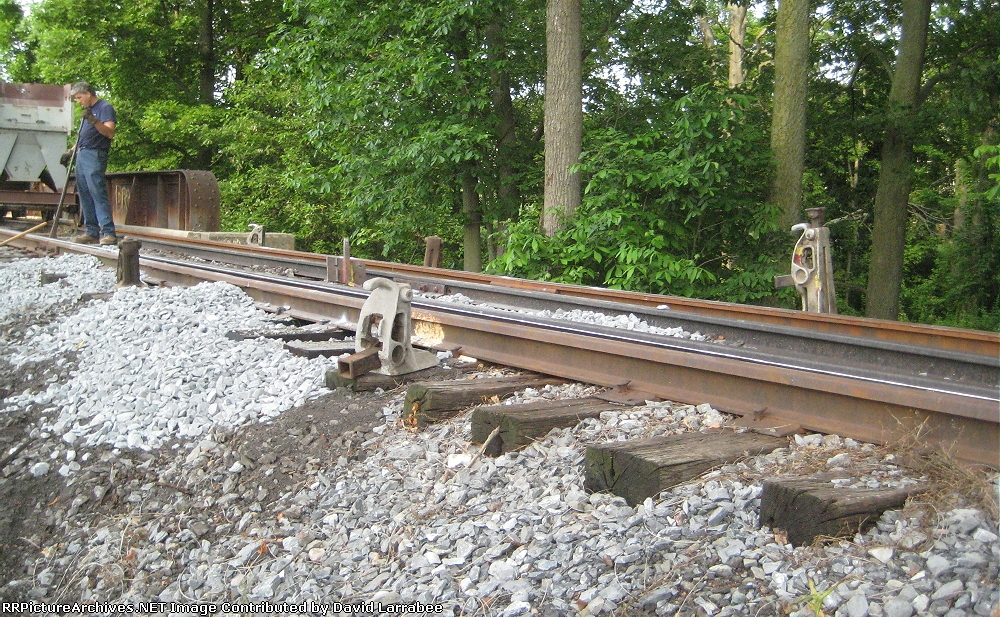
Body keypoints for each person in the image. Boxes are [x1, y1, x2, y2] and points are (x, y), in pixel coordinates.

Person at [65, 81, 117, 245]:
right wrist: (71, 151)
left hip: (95, 154)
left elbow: (109, 133)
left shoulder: (104, 108)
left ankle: (108, 232)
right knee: (85, 193)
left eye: (80, 98)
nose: (79, 101)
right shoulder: (87, 111)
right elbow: (83, 136)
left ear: (88, 94)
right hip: (82, 153)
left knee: (97, 191)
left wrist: (94, 120)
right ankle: (92, 231)